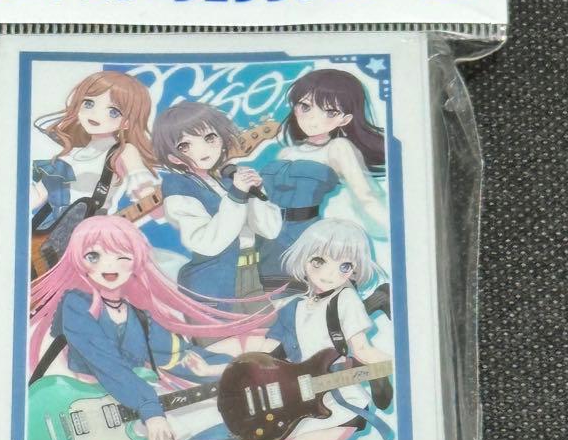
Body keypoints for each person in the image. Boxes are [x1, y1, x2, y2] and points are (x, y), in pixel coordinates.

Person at [28, 216, 273, 440]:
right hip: (82, 413)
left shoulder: (136, 313)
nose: (109, 265)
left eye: (122, 256)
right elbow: (107, 365)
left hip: (131, 418)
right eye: (94, 256)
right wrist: (151, 410)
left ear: (136, 261)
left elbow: (176, 354)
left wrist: (230, 369)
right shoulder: (76, 304)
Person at [165, 219, 394, 440]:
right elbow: (266, 356)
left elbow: (363, 350)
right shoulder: (295, 308)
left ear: (353, 271)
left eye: (344, 266)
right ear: (305, 258)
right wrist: (209, 371)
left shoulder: (345, 300)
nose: (330, 273)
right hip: (295, 407)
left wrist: (399, 366)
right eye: (319, 261)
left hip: (335, 409)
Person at [257, 69, 388, 290]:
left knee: (304, 295)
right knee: (265, 293)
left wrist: (397, 228)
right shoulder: (286, 153)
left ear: (345, 119)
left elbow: (365, 195)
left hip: (306, 236)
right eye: (305, 107)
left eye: (329, 112)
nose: (312, 118)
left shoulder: (338, 148)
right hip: (268, 234)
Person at [153, 102, 281, 309]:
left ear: (222, 139)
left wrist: (256, 193)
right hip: (212, 285)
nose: (202, 149)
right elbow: (207, 243)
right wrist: (237, 195)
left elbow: (270, 230)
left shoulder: (228, 179)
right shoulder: (178, 186)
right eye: (184, 146)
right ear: (173, 158)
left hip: (253, 275)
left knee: (267, 327)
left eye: (209, 137)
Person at [30, 71, 158, 270]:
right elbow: (38, 195)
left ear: (127, 122)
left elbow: (145, 190)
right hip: (43, 236)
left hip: (88, 241)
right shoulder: (68, 156)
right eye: (89, 103)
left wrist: (152, 198)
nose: (96, 114)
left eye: (113, 111)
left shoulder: (122, 151)